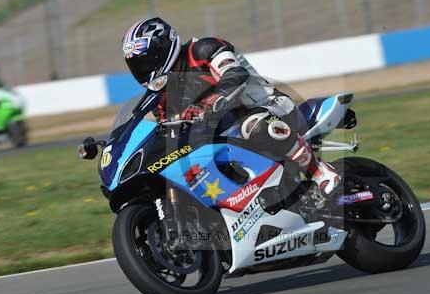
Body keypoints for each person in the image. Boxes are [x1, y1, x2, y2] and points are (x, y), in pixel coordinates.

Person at [122, 17, 340, 197]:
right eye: (137, 65)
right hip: (220, 132)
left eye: (147, 60)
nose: (144, 68)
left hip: (266, 107)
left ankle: (320, 172)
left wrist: (210, 101)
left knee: (254, 125)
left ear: (163, 48)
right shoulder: (160, 93)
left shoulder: (203, 49)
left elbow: (235, 74)